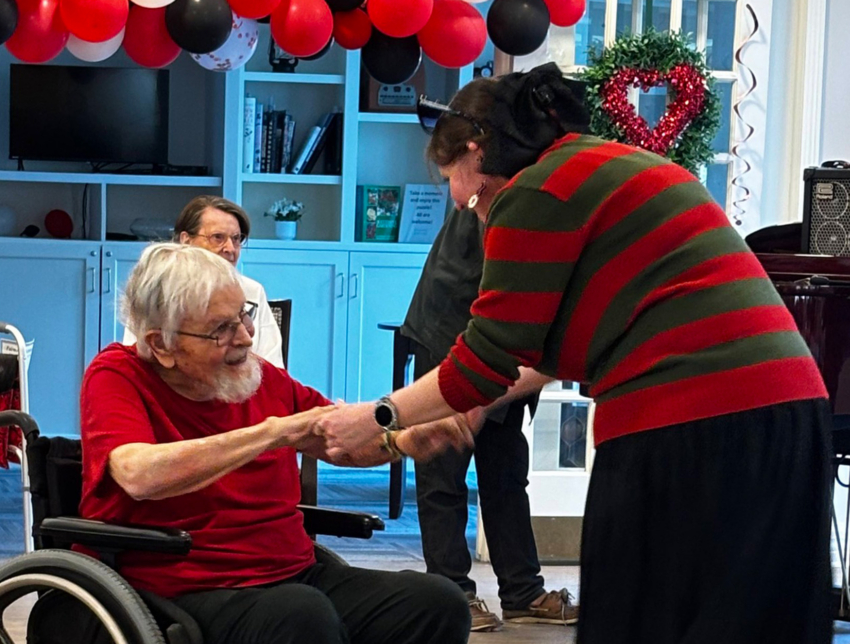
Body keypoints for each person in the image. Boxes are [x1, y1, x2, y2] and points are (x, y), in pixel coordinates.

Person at [316, 62, 833, 644]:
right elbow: (536, 355)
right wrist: (471, 407)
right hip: (791, 411)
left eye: (452, 178)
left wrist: (379, 417)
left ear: (475, 151)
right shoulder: (608, 165)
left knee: (638, 620)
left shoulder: (533, 191)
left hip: (688, 421)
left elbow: (487, 357)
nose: (459, 202)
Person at [81, 242, 471, 644]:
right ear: (161, 344)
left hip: (293, 574)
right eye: (221, 329)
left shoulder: (257, 376)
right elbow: (139, 474)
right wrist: (274, 432)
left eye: (243, 315)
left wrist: (403, 441)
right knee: (301, 614)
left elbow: (337, 440)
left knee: (438, 603)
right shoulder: (117, 374)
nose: (245, 338)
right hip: (179, 588)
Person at [401, 206, 577, 629]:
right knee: (443, 467)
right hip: (451, 328)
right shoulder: (510, 199)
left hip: (509, 337)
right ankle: (452, 591)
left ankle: (522, 592)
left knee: (506, 471)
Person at [123, 195, 285, 368]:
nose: (230, 248)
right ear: (186, 240)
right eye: (218, 237)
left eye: (236, 239)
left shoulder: (252, 291)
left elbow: (272, 367)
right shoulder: (155, 292)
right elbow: (138, 364)